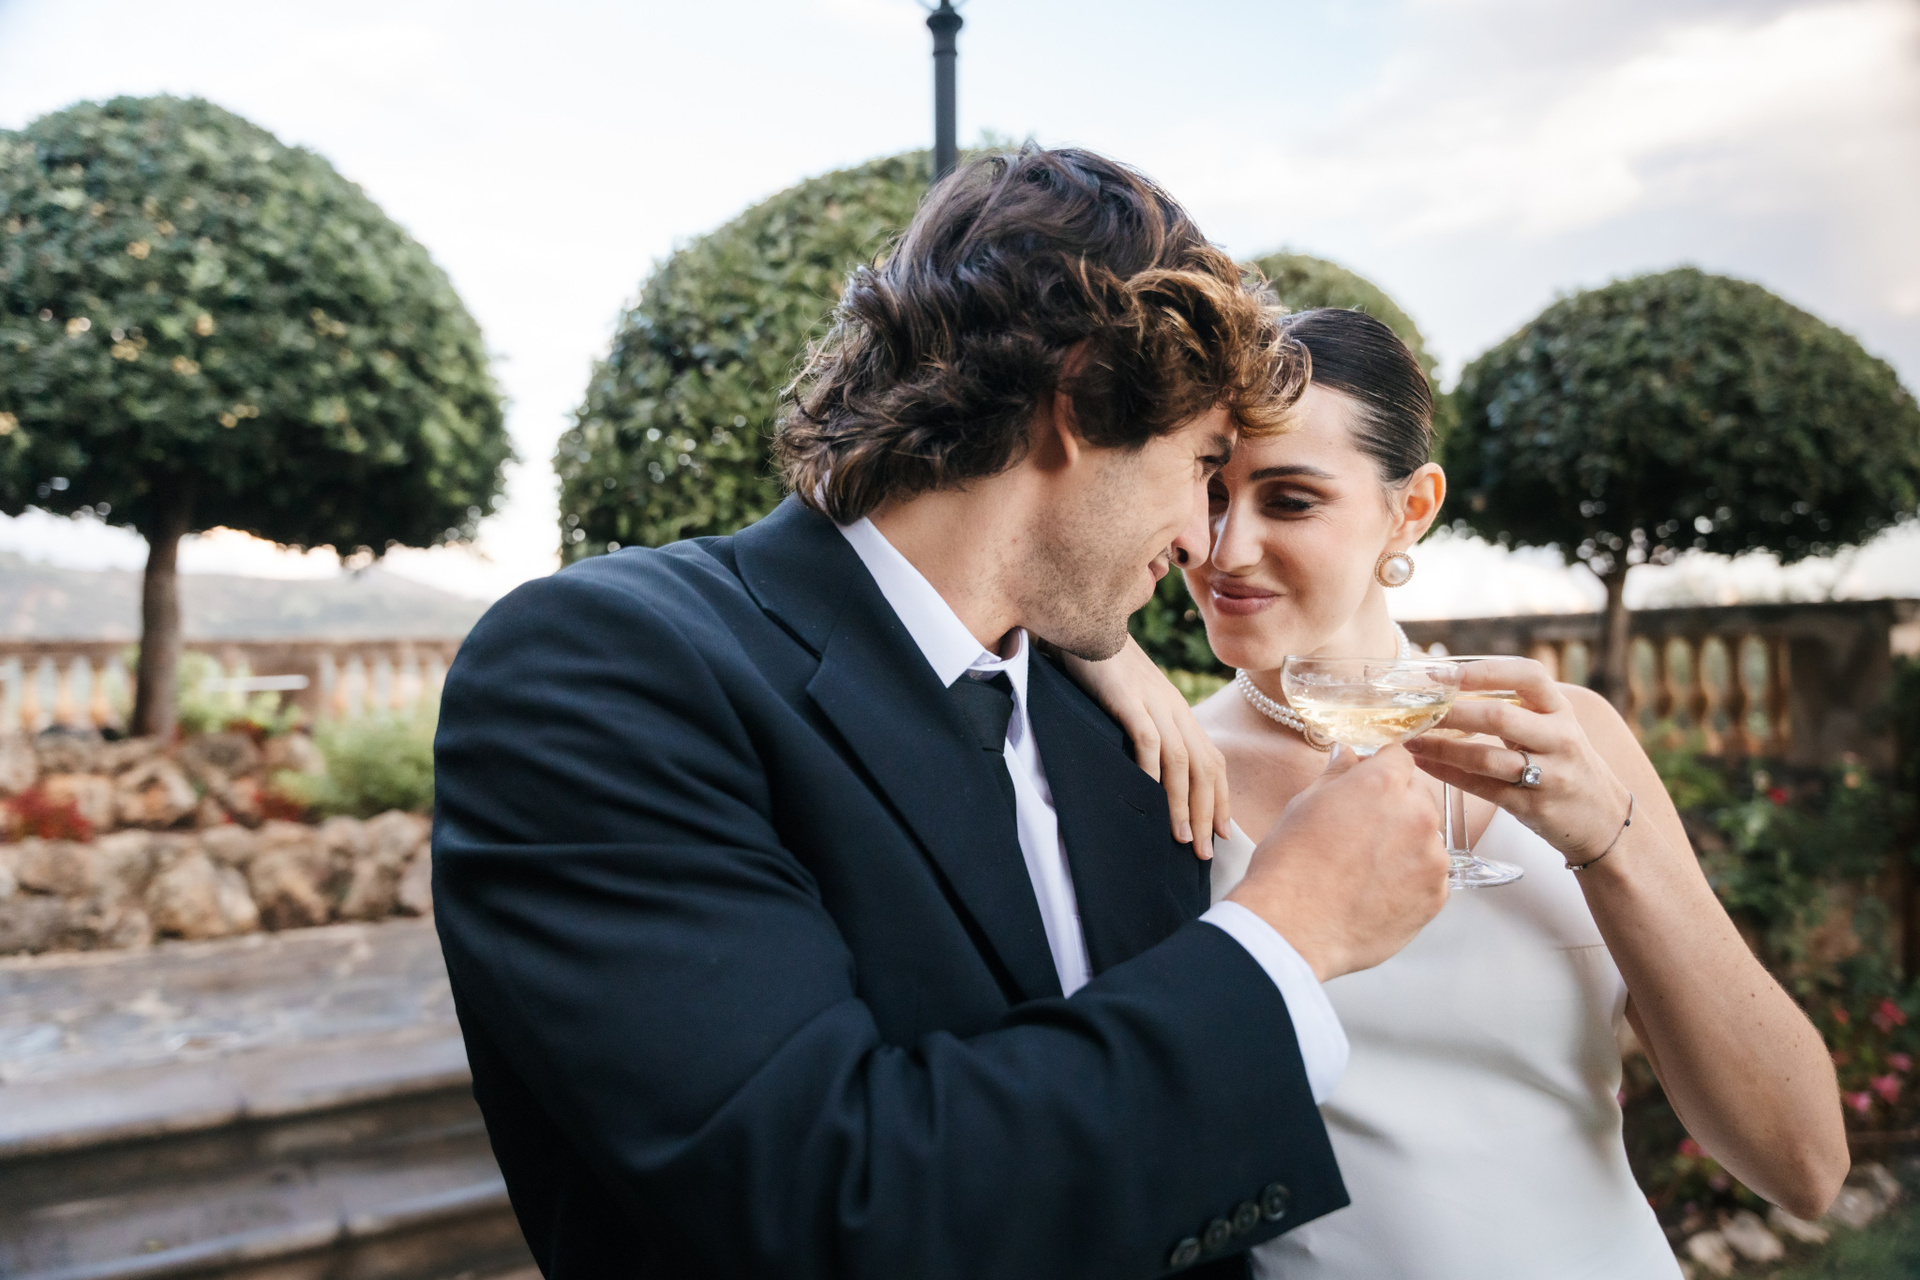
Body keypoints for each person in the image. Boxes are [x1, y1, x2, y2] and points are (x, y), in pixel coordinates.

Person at [431, 149, 1452, 1279]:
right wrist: (1287, 933)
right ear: (1085, 401)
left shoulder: (1122, 731)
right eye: (1202, 466)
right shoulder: (603, 668)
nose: (1202, 538)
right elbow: (820, 1208)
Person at [1073, 306, 1849, 1279]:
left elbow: (1803, 1163)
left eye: (1291, 500)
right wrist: (1093, 644)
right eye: (1211, 490)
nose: (1225, 550)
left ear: (1411, 509)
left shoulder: (1570, 738)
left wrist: (1610, 844)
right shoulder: (1158, 765)